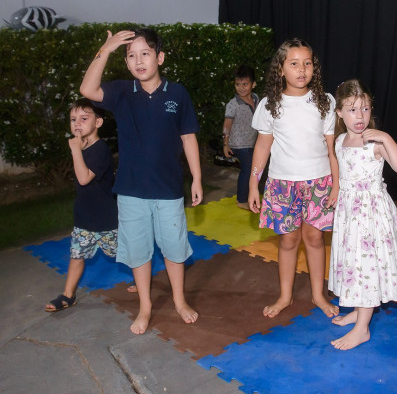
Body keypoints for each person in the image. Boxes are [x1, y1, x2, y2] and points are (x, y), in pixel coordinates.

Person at [80, 28, 203, 334]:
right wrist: (106, 49)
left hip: (168, 189)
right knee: (138, 251)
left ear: (159, 58)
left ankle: (179, 300)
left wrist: (197, 178)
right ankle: (145, 307)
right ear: (126, 62)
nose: (138, 61)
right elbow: (87, 89)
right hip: (131, 190)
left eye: (145, 53)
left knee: (174, 248)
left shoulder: (177, 94)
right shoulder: (123, 92)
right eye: (131, 55)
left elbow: (188, 137)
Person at [248, 38, 339, 319]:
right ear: (281, 69)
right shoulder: (270, 104)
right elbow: (262, 146)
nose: (302, 69)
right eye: (294, 63)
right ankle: (285, 296)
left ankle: (318, 295)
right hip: (282, 183)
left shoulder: (325, 102)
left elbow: (332, 148)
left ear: (314, 68)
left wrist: (337, 184)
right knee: (288, 241)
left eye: (307, 63)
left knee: (314, 238)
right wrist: (253, 183)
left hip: (319, 182)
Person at [328, 79, 397, 350]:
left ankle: (362, 328)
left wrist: (386, 138)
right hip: (349, 214)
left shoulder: (374, 143)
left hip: (371, 214)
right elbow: (340, 170)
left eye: (365, 109)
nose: (360, 116)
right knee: (354, 263)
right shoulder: (340, 141)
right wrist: (337, 191)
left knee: (366, 265)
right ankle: (358, 310)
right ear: (339, 112)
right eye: (352, 109)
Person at [45, 99, 118, 312]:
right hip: (84, 218)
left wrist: (75, 150)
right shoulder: (82, 148)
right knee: (76, 256)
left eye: (84, 118)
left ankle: (140, 280)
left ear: (98, 122)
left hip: (106, 220)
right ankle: (68, 295)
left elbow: (84, 178)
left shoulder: (100, 150)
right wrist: (78, 149)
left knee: (127, 254)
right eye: (73, 119)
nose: (77, 123)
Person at [222, 65, 259, 210]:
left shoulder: (256, 98)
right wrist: (225, 144)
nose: (241, 88)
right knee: (248, 169)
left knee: (255, 169)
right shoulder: (233, 104)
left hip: (252, 142)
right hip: (239, 144)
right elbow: (227, 125)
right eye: (238, 84)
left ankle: (250, 194)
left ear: (253, 84)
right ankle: (242, 200)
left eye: (245, 84)